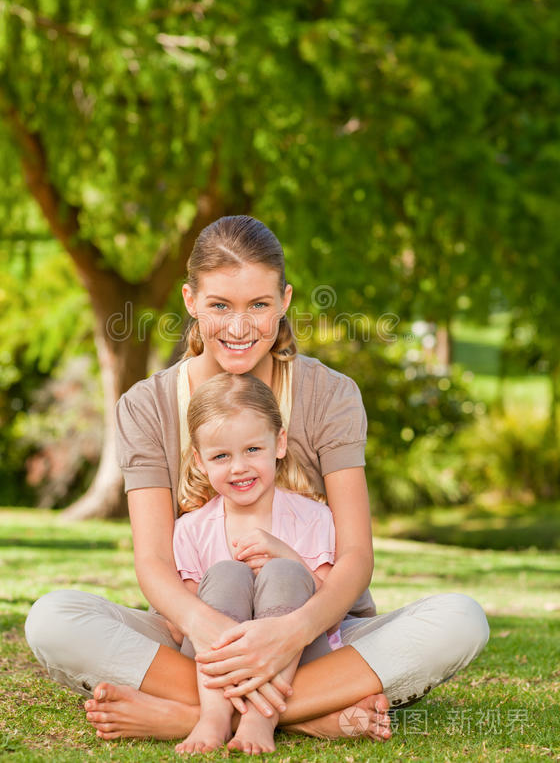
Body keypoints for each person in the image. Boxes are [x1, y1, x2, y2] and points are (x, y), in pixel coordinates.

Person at [25, 215, 489, 745]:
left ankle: (198, 716)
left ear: (285, 301)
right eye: (220, 305)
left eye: (259, 305)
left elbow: (357, 556)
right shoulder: (147, 406)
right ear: (190, 301)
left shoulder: (331, 396)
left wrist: (292, 630)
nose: (239, 328)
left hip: (322, 632)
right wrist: (217, 632)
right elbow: (154, 564)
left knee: (462, 620)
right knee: (53, 620)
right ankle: (305, 713)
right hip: (197, 637)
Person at [173, 370, 342, 754]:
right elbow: (179, 624)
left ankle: (258, 721)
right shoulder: (190, 530)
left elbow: (330, 611)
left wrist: (286, 555)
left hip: (299, 658)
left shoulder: (313, 518)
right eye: (221, 456)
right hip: (213, 666)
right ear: (200, 461)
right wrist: (231, 625)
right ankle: (214, 717)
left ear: (278, 443)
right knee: (227, 573)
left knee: (284, 571)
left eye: (252, 450)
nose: (239, 467)